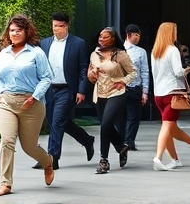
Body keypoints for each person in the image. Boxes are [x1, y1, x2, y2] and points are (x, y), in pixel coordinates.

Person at [0, 14, 54, 196]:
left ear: (27, 32)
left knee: (29, 147)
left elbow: (47, 77)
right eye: (12, 30)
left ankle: (47, 162)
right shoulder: (3, 53)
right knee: (7, 141)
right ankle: (5, 184)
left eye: (19, 30)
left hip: (31, 104)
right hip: (6, 103)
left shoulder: (36, 53)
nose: (15, 33)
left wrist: (34, 97)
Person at [32, 13, 95, 170]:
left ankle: (52, 158)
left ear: (66, 26)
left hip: (66, 89)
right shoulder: (45, 43)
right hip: (48, 89)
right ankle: (87, 140)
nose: (56, 29)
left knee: (57, 122)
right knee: (61, 123)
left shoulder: (77, 43)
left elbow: (82, 68)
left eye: (59, 26)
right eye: (54, 26)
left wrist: (81, 90)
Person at [151, 22, 190, 171]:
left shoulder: (155, 51)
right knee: (169, 128)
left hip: (158, 94)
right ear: (170, 33)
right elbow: (178, 72)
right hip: (173, 92)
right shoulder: (172, 50)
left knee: (168, 127)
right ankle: (159, 158)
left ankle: (172, 158)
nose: (176, 34)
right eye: (175, 31)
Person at [87, 27, 136, 174]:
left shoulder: (120, 55)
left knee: (106, 124)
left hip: (116, 92)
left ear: (113, 39)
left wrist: (123, 81)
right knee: (106, 125)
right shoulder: (94, 54)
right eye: (100, 36)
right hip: (100, 93)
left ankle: (103, 161)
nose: (101, 39)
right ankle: (122, 147)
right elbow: (90, 75)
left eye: (106, 37)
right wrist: (92, 73)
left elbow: (133, 72)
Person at [123, 24, 149, 151]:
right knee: (119, 115)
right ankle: (121, 139)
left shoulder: (141, 52)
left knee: (134, 116)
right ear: (129, 35)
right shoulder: (118, 49)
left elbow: (145, 71)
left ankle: (129, 141)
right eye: (136, 35)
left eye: (139, 35)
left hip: (135, 87)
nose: (138, 38)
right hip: (119, 87)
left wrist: (145, 91)